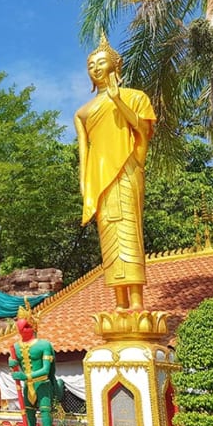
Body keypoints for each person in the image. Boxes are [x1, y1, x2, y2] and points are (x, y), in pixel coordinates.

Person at [74, 33, 156, 312]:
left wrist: (118, 100)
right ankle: (119, 302)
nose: (95, 69)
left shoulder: (135, 98)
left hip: (126, 171)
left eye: (100, 63)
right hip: (100, 180)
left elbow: (143, 132)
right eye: (91, 66)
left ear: (115, 66)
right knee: (109, 236)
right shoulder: (83, 112)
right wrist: (86, 190)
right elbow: (83, 154)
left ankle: (136, 302)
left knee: (129, 230)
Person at [8, 301, 62, 426]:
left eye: (26, 326)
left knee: (45, 411)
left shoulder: (44, 345)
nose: (22, 329)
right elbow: (14, 362)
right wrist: (11, 362)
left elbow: (46, 370)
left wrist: (26, 377)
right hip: (27, 387)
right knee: (28, 413)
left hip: (42, 384)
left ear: (33, 326)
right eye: (21, 327)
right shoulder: (17, 347)